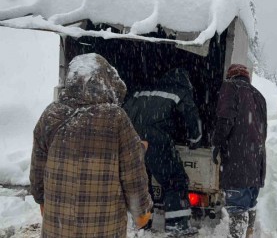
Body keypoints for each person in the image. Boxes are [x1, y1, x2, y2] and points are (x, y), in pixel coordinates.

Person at [29, 53, 153, 238]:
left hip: (58, 228)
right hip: (105, 228)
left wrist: (43, 201)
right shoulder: (115, 118)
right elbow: (132, 175)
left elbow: (37, 173)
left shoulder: (51, 114)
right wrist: (141, 211)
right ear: (106, 81)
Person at [124, 68, 202, 236]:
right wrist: (194, 139)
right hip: (157, 140)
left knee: (142, 183)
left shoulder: (142, 92)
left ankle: (141, 223)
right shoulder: (180, 92)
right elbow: (191, 118)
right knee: (175, 181)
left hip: (134, 140)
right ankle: (177, 225)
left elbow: (125, 111)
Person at [212, 64, 267, 238]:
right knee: (250, 203)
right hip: (256, 164)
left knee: (236, 208)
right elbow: (263, 132)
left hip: (238, 162)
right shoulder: (259, 96)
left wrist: (217, 143)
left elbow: (225, 120)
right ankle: (249, 233)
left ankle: (237, 235)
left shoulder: (230, 88)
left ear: (231, 76)